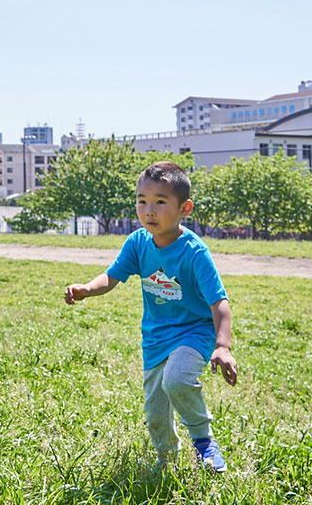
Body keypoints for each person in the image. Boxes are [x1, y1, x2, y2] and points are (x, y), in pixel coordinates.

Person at [64, 161, 238, 472]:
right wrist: (87, 289)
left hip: (194, 333)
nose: (149, 211)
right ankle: (166, 460)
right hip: (156, 339)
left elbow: (219, 302)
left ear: (184, 208)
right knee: (156, 412)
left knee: (177, 380)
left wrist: (222, 346)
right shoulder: (138, 243)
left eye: (160, 202)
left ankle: (204, 441)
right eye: (142, 201)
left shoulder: (194, 251)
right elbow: (112, 276)